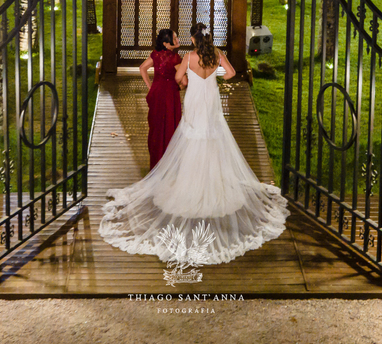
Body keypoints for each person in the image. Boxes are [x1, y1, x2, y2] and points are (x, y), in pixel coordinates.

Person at [98, 22, 288, 264]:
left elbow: (179, 78)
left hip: (195, 100)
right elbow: (231, 73)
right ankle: (212, 180)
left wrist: (187, 75)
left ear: (194, 40)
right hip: (211, 100)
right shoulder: (217, 54)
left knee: (191, 136)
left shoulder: (189, 57)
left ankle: (190, 180)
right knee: (213, 136)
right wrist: (216, 79)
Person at [140, 28, 183, 170]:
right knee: (170, 124)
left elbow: (142, 68)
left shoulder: (155, 55)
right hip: (170, 94)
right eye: (174, 39)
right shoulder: (175, 58)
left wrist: (150, 86)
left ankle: (156, 161)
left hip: (157, 91)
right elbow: (183, 80)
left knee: (156, 126)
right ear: (166, 43)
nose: (177, 40)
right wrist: (182, 86)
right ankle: (169, 163)